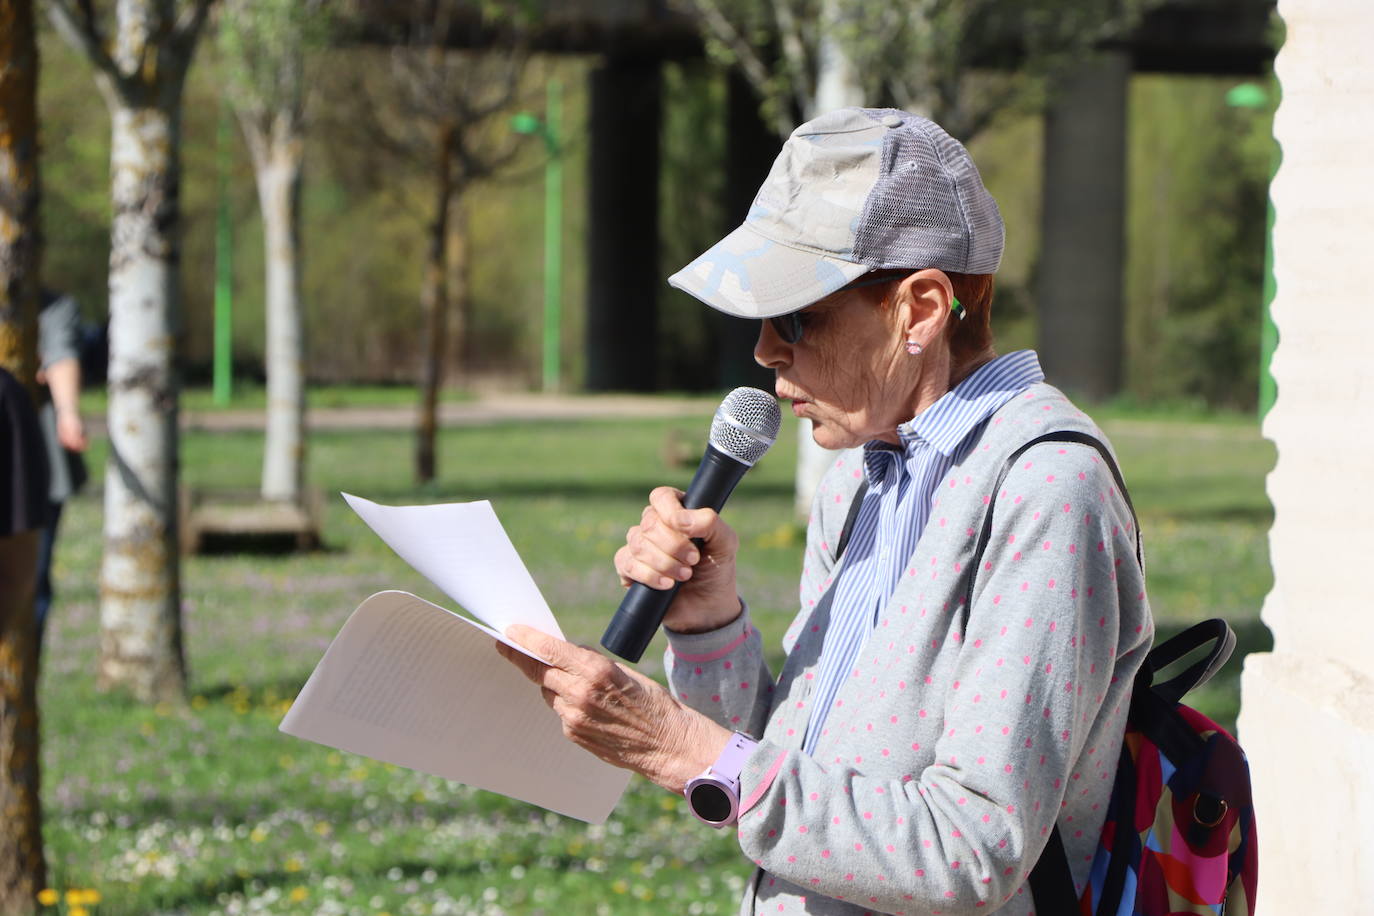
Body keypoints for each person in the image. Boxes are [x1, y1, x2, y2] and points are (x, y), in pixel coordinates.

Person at [498, 107, 1154, 915]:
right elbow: (787, 779)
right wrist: (709, 627)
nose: (765, 351)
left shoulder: (1047, 489)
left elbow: (972, 849)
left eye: (796, 317)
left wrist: (678, 746)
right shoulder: (863, 475)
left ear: (918, 310)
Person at [35, 289, 90, 655]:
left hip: (34, 465)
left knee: (28, 584)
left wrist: (67, 412)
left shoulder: (52, 307)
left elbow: (61, 355)